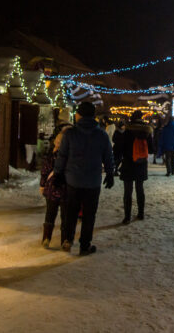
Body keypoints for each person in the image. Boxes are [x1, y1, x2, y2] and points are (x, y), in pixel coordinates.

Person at [55, 102, 115, 255]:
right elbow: (108, 156)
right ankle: (85, 245)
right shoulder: (101, 134)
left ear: (80, 115)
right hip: (92, 181)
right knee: (89, 214)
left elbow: (62, 156)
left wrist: (58, 173)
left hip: (73, 180)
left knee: (71, 212)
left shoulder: (70, 133)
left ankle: (68, 239)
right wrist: (110, 173)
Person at [38, 116, 73, 248]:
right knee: (65, 216)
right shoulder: (71, 156)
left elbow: (45, 171)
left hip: (52, 187)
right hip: (66, 189)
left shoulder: (51, 156)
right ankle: (65, 240)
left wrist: (42, 185)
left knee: (50, 214)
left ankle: (46, 238)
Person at [119, 110, 153, 223]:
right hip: (141, 163)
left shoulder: (127, 130)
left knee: (127, 191)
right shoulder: (147, 131)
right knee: (140, 189)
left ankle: (127, 217)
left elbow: (121, 147)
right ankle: (141, 213)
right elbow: (152, 149)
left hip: (128, 163)